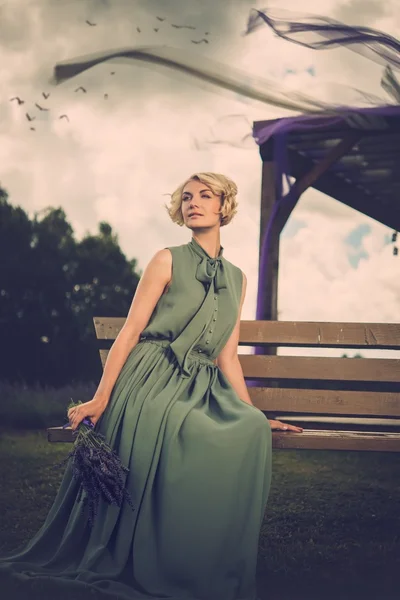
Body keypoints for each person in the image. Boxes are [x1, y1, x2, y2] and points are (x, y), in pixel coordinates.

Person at [0, 172, 302, 600]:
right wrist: (101, 397)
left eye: (205, 195)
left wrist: (255, 413)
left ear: (224, 206)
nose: (193, 202)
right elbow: (129, 332)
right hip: (153, 375)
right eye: (186, 197)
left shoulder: (237, 277)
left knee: (249, 430)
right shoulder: (166, 259)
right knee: (189, 429)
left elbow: (228, 356)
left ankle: (203, 557)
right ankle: (162, 556)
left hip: (203, 383)